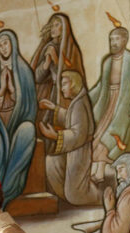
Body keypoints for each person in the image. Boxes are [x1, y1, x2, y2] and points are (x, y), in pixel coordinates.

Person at [0, 29, 37, 206]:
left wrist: (13, 90)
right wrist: (2, 91)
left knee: (28, 129)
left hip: (17, 125)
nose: (3, 48)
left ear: (13, 44)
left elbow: (30, 105)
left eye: (6, 43)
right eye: (0, 45)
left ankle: (5, 189)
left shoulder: (24, 71)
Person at [89, 28, 130, 180]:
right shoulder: (107, 62)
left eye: (116, 39)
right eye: (111, 39)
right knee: (97, 137)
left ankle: (102, 173)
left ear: (125, 40)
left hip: (123, 106)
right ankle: (99, 172)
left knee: (110, 138)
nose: (113, 42)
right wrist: (85, 98)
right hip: (108, 103)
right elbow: (101, 86)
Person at [39, 70, 97, 207]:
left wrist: (55, 136)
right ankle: (66, 196)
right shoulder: (78, 101)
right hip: (72, 150)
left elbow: (78, 135)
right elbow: (72, 119)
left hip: (79, 153)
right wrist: (54, 109)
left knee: (75, 194)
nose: (62, 88)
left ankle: (101, 195)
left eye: (65, 84)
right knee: (51, 163)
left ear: (74, 84)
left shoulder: (80, 103)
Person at [31, 13, 86, 153]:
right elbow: (37, 77)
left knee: (64, 125)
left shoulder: (71, 49)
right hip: (51, 92)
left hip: (66, 94)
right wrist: (46, 63)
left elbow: (71, 76)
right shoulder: (48, 47)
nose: (53, 29)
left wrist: (55, 59)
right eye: (52, 26)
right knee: (44, 126)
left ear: (64, 27)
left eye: (57, 25)